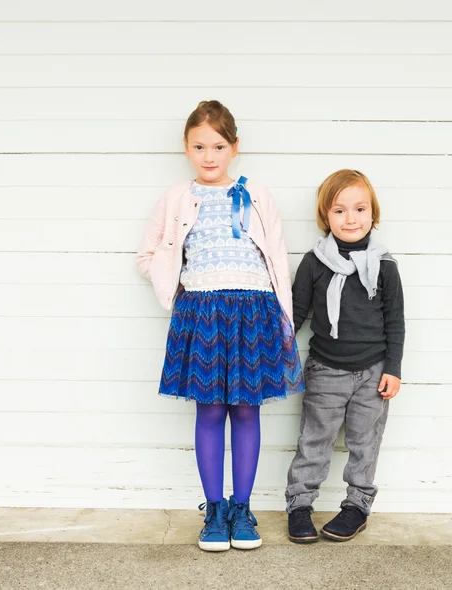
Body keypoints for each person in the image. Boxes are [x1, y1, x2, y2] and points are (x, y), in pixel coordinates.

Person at [136, 100, 303, 552]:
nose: (209, 156)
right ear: (186, 149)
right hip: (202, 312)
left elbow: (279, 258)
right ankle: (213, 510)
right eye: (199, 146)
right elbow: (148, 254)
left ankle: (242, 508)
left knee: (246, 409)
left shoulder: (258, 196)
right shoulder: (175, 198)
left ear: (235, 148)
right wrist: (177, 288)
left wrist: (282, 316)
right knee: (209, 409)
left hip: (253, 311)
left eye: (218, 146)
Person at [285, 169, 405, 543]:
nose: (350, 218)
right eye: (339, 211)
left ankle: (357, 506)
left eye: (359, 209)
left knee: (364, 442)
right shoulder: (314, 262)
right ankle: (300, 504)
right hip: (325, 369)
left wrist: (394, 370)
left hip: (373, 372)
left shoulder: (384, 265)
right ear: (326, 217)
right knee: (314, 440)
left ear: (373, 214)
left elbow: (395, 322)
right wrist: (280, 359)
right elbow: (295, 316)